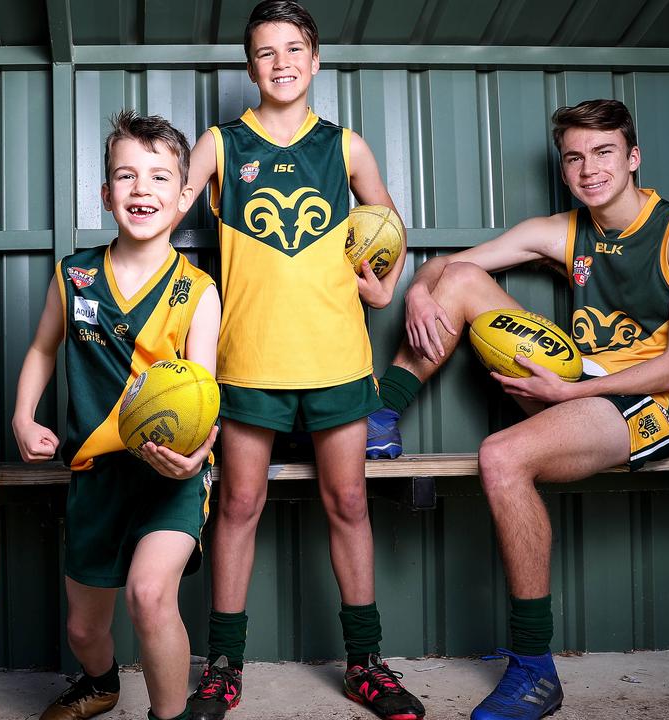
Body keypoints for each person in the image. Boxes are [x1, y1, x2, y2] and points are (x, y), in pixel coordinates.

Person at [365, 98, 669, 719]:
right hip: (575, 382)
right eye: (575, 158)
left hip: (642, 404)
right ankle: (382, 413)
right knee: (459, 283)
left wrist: (569, 392)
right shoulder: (564, 230)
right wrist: (420, 290)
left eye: (605, 153)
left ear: (632, 158)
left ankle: (534, 670)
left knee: (500, 457)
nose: (590, 169)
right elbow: (457, 263)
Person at [176, 2, 426, 719]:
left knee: (347, 503)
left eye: (294, 49)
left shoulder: (345, 146)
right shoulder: (221, 143)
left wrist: (380, 282)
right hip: (249, 360)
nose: (281, 62)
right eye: (264, 51)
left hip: (337, 357)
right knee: (240, 505)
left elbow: (386, 222)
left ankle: (365, 663)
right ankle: (223, 667)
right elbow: (164, 215)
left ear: (315, 61)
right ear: (248, 66)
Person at [13, 111, 221, 720]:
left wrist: (196, 457)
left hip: (169, 475)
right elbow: (41, 349)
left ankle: (170, 716)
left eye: (159, 177)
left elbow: (204, 392)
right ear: (106, 194)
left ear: (184, 196)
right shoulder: (74, 275)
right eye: (125, 176)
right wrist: (24, 417)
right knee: (84, 631)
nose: (141, 189)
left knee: (150, 595)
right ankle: (101, 684)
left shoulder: (198, 291)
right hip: (95, 472)